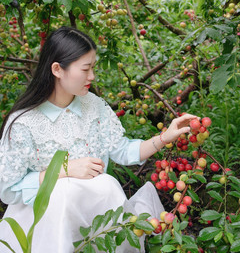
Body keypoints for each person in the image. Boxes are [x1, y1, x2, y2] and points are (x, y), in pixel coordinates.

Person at [0, 26, 197, 253]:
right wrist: (64, 169)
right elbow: (8, 190)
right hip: (45, 223)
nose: (92, 77)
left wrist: (165, 137)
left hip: (94, 216)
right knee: (72, 190)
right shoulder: (24, 123)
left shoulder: (93, 106)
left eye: (93, 68)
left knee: (106, 184)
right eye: (85, 69)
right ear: (57, 69)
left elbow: (122, 150)